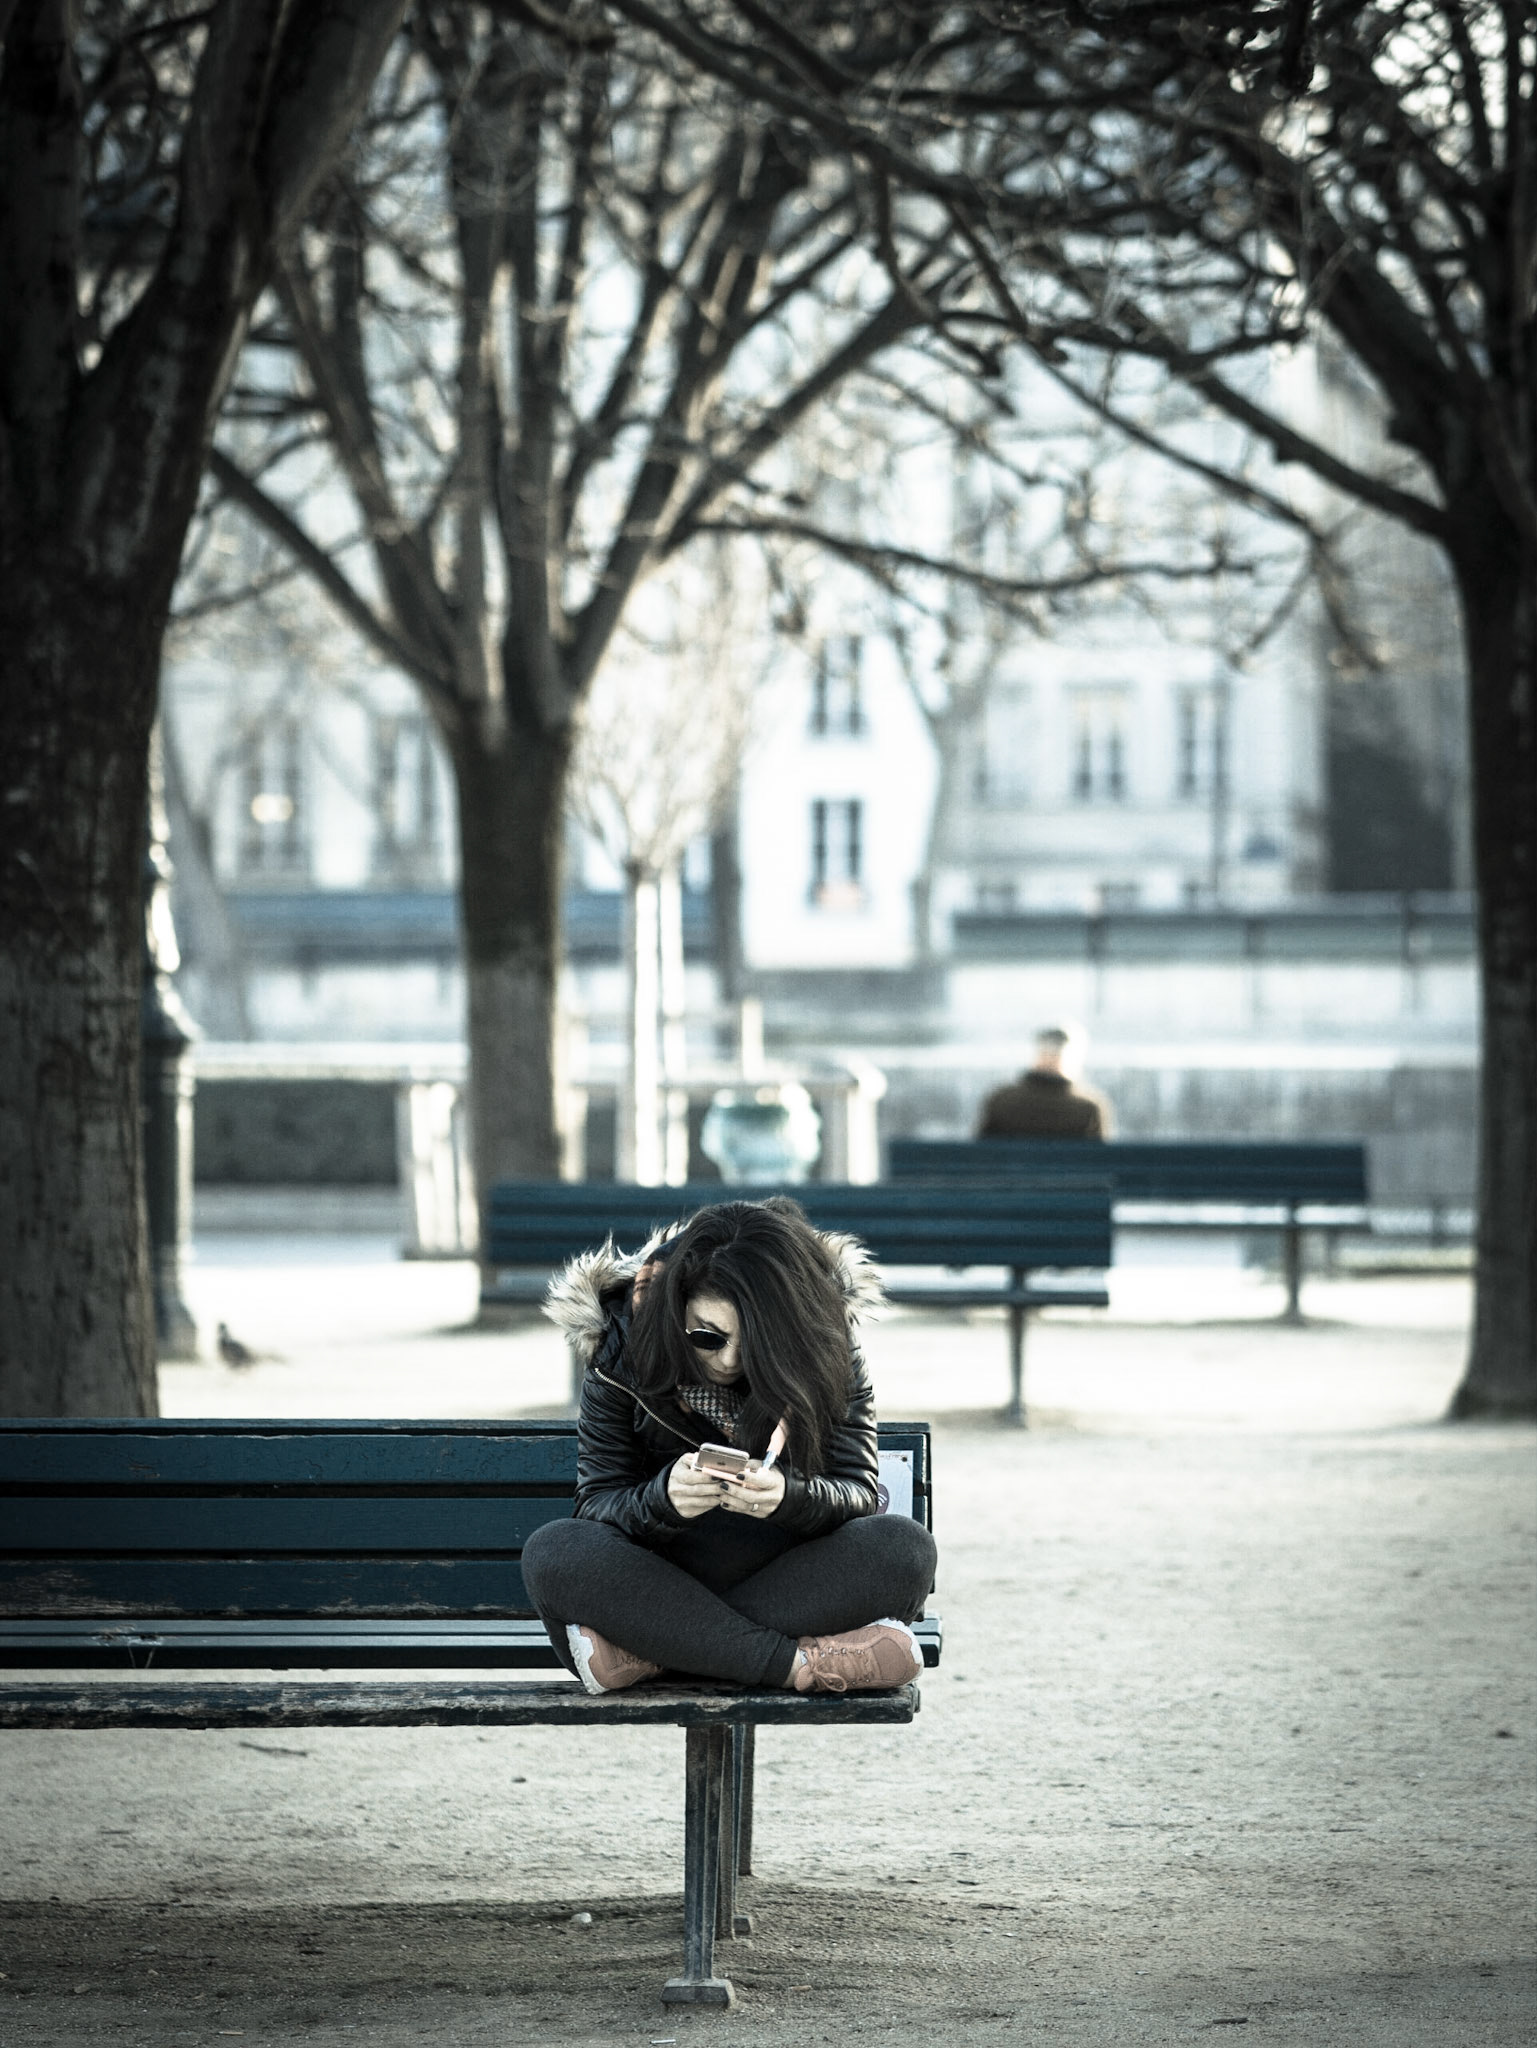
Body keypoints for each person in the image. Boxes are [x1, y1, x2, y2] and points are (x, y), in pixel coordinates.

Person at [521, 1197, 937, 1697]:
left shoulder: (826, 1346)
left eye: (757, 1342)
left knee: (905, 1548)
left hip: (788, 1579)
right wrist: (663, 1500)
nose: (730, 1361)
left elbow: (857, 1493)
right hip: (659, 1581)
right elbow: (597, 1505)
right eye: (707, 1337)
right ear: (676, 1307)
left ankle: (658, 1653)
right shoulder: (621, 1347)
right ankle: (795, 1666)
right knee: (554, 1551)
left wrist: (788, 1497)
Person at [975, 1024, 1114, 1140]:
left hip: (1014, 1173)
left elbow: (980, 1154)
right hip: (1069, 1173)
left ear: (1037, 1055)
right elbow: (1102, 1159)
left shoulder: (1001, 1100)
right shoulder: (1088, 1109)